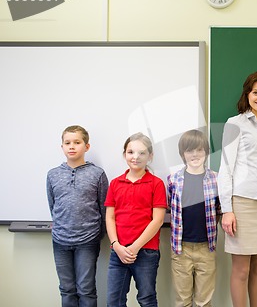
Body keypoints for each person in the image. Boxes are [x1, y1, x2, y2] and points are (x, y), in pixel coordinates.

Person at [218, 71, 257, 307]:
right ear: (247, 94)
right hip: (242, 203)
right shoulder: (234, 124)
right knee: (241, 270)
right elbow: (226, 167)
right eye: (256, 92)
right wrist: (227, 209)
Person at [46, 125, 109, 307]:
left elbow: (103, 207)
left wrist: (99, 234)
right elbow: (53, 206)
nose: (71, 146)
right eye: (67, 143)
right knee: (66, 289)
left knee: (86, 289)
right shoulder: (52, 175)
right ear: (62, 147)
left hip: (87, 240)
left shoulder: (97, 174)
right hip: (60, 240)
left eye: (77, 142)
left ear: (86, 147)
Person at [105, 132, 167, 307]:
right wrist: (116, 245)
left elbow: (157, 220)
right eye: (131, 152)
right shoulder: (115, 183)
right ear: (125, 154)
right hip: (118, 252)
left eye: (142, 153)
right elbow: (109, 217)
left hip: (146, 251)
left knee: (146, 299)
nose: (136, 157)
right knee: (114, 301)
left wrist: (134, 247)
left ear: (150, 156)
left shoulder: (156, 184)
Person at [167, 129, 221, 307]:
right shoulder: (174, 180)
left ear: (206, 151)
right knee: (182, 300)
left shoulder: (216, 179)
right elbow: (170, 207)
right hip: (181, 248)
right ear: (183, 154)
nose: (195, 154)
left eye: (199, 150)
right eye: (190, 150)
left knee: (204, 301)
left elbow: (220, 209)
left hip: (207, 248)